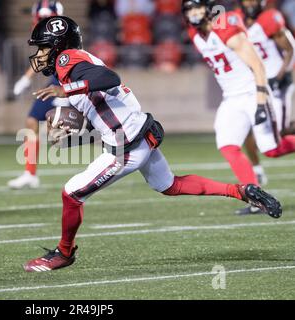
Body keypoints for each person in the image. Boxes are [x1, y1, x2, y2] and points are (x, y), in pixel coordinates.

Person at [23, 16, 282, 272]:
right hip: (138, 135)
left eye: (44, 47)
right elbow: (100, 113)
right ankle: (241, 191)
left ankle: (64, 253)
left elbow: (110, 78)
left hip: (127, 147)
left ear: (59, 45)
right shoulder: (76, 63)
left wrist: (66, 91)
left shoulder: (69, 60)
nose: (40, 54)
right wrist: (71, 140)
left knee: (71, 193)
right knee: (170, 185)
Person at [182, 0, 295, 215]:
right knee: (227, 144)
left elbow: (257, 64)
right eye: (189, 9)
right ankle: (257, 198)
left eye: (197, 7)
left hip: (253, 92)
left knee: (271, 149)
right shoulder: (193, 32)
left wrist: (261, 100)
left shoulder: (224, 27)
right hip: (231, 97)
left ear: (209, 9)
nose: (194, 13)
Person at [7, 0, 68, 190]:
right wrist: (25, 79)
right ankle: (30, 174)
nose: (41, 22)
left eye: (45, 18)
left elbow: (46, 58)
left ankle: (115, 155)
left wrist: (25, 80)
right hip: (57, 83)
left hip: (72, 82)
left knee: (66, 131)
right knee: (32, 121)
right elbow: (43, 56)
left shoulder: (65, 34)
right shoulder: (48, 35)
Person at [237, 0, 295, 194]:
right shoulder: (237, 20)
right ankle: (257, 170)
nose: (250, 3)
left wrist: (279, 76)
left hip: (276, 84)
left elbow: (290, 49)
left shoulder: (269, 18)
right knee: (245, 129)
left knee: (280, 136)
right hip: (256, 85)